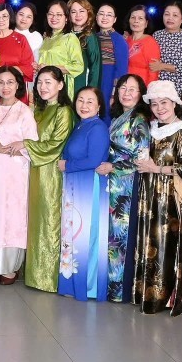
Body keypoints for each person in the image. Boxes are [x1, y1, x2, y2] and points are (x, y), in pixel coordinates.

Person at [131, 80, 182, 316]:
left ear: (174, 103)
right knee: (147, 241)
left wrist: (156, 169)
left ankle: (165, 298)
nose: (160, 108)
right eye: (155, 104)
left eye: (164, 102)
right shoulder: (150, 129)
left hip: (171, 197)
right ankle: (145, 294)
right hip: (148, 194)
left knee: (165, 244)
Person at [23, 66, 75, 293]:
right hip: (36, 171)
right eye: (40, 82)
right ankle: (35, 275)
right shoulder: (40, 110)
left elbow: (55, 145)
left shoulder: (64, 111)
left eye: (48, 82)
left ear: (60, 85)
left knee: (50, 221)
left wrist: (25, 145)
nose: (43, 87)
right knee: (37, 221)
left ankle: (49, 278)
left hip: (51, 174)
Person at [101, 74, 151, 303]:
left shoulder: (138, 120)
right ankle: (110, 286)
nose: (127, 93)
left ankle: (120, 290)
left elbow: (141, 159)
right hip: (113, 183)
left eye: (132, 89)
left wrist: (113, 166)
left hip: (127, 186)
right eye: (123, 87)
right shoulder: (118, 117)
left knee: (121, 238)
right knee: (112, 236)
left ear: (140, 94)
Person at [59, 86, 111, 301]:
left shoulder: (97, 127)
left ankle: (87, 287)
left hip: (89, 185)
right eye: (80, 100)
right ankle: (72, 285)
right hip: (77, 184)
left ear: (99, 106)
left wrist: (67, 165)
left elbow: (94, 160)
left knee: (86, 235)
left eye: (90, 101)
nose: (84, 105)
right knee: (74, 234)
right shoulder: (81, 125)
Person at [0, 66, 35, 285]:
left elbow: (31, 145)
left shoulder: (24, 112)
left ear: (18, 85)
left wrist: (4, 148)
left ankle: (10, 268)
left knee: (12, 218)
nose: (5, 87)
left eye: (10, 82)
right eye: (0, 82)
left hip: (15, 173)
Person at [149, 1, 182, 96]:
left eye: (175, 15)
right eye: (167, 14)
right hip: (158, 89)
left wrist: (162, 66)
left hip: (179, 89)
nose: (170, 18)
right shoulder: (156, 35)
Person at [38, 1, 83, 98]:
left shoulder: (70, 38)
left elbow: (78, 66)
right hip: (44, 88)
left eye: (59, 15)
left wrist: (51, 68)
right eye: (51, 14)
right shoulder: (46, 39)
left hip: (60, 88)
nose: (54, 18)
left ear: (66, 18)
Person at [94, 4, 129, 110]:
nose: (104, 17)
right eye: (101, 14)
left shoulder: (119, 39)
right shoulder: (93, 37)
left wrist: (115, 94)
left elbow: (122, 70)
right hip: (94, 82)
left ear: (114, 19)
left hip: (108, 85)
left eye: (109, 15)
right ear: (96, 17)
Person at [0, 5, 34, 89]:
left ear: (10, 17)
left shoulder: (20, 39)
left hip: (16, 88)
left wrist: (3, 69)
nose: (1, 20)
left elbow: (28, 67)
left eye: (4, 16)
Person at [67, 0, 100, 91]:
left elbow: (95, 66)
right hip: (66, 82)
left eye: (81, 11)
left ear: (88, 13)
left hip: (81, 84)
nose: (78, 15)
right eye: (73, 12)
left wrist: (91, 90)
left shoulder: (89, 36)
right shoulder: (66, 35)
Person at [124, 5, 161, 87]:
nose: (136, 21)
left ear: (146, 23)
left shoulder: (150, 42)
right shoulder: (125, 40)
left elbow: (153, 71)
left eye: (140, 18)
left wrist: (148, 90)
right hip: (125, 84)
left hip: (141, 86)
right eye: (133, 17)